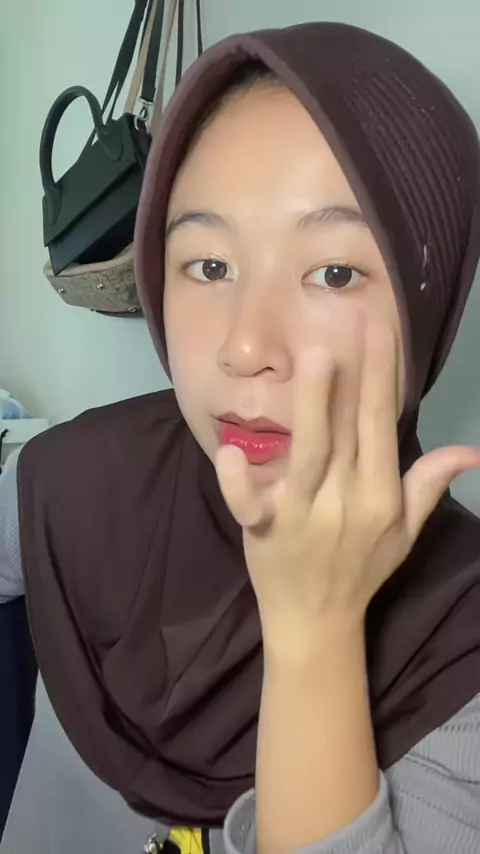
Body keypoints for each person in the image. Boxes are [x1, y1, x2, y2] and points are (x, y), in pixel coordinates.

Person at [2, 20, 480, 854]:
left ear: (427, 297)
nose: (245, 346)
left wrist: (314, 633)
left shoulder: (461, 631)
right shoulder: (76, 478)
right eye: (210, 266)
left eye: (334, 272)